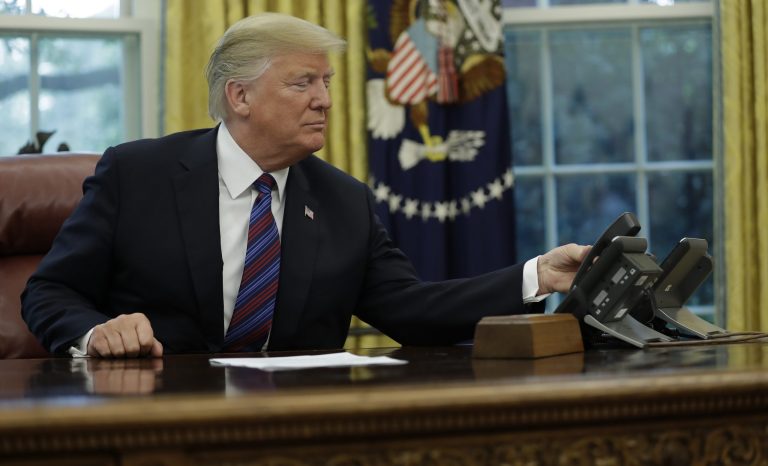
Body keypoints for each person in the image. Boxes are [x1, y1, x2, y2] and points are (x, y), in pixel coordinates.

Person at [21, 13, 589, 358]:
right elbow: (48, 293)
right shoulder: (136, 174)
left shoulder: (344, 200)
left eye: (326, 81)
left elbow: (412, 311)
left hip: (297, 424)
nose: (325, 99)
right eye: (303, 83)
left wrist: (538, 276)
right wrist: (96, 333)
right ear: (239, 97)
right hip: (159, 417)